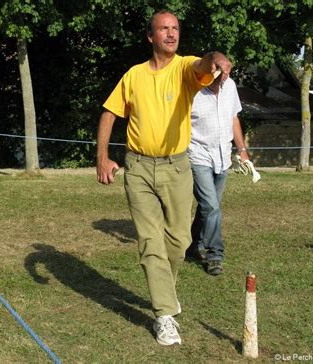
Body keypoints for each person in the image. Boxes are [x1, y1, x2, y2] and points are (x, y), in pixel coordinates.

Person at [96, 10, 231, 346]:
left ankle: (164, 294)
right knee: (150, 243)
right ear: (150, 36)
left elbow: (204, 64)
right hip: (138, 168)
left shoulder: (186, 69)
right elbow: (109, 113)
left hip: (177, 167)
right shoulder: (134, 75)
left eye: (175, 29)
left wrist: (217, 58)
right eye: (163, 29)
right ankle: (164, 314)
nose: (171, 34)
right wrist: (102, 156)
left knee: (180, 241)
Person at [187, 74, 249, 275]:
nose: (223, 78)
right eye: (218, 74)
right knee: (211, 206)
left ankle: (194, 243)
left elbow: (233, 118)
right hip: (198, 156)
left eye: (226, 73)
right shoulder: (192, 89)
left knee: (209, 207)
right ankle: (214, 255)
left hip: (223, 158)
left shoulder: (230, 86)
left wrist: (242, 150)